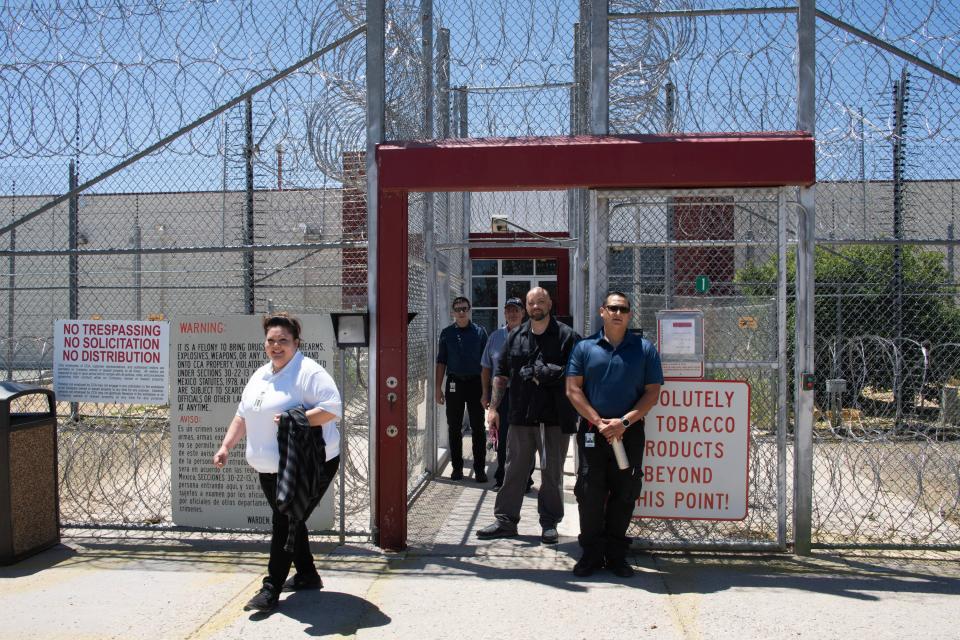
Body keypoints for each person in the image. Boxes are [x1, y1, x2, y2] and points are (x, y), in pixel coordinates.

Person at [212, 313, 342, 612]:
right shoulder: (261, 375)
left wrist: (295, 419)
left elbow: (332, 409)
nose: (276, 345)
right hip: (270, 469)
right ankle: (307, 575)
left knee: (284, 523)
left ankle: (270, 589)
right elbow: (242, 415)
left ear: (296, 343)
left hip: (306, 464)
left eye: (283, 340)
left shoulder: (309, 372)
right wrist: (225, 446)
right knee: (291, 519)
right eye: (271, 340)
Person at [565, 291, 663, 578]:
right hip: (594, 434)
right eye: (612, 308)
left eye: (623, 309)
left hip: (629, 434)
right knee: (589, 493)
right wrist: (599, 423)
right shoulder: (584, 348)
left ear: (629, 314)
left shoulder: (644, 349)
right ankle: (591, 555)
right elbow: (573, 389)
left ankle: (617, 555)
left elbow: (652, 392)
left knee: (625, 493)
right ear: (602, 311)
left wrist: (623, 423)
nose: (618, 313)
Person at [477, 287, 579, 544]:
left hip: (553, 418)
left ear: (550, 304)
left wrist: (549, 373)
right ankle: (505, 521)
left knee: (551, 473)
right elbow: (501, 374)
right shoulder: (516, 337)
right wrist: (493, 408)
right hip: (521, 416)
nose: (536, 307)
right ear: (527, 306)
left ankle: (549, 523)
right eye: (532, 303)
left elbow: (578, 373)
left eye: (541, 302)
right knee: (514, 470)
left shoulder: (567, 337)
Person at [480, 296, 532, 492]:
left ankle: (525, 480)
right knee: (502, 439)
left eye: (516, 310)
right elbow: (486, 367)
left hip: (525, 395)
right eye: (509, 310)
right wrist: (485, 394)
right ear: (504, 313)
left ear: (523, 313)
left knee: (525, 439)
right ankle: (502, 478)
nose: (512, 314)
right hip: (501, 396)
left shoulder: (532, 335)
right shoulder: (495, 337)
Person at [436, 296, 489, 482]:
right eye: (457, 309)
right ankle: (457, 468)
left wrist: (486, 390)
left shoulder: (480, 332)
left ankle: (480, 469)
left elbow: (486, 364)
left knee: (478, 428)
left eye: (464, 308)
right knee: (454, 427)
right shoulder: (446, 334)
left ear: (469, 310)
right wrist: (437, 388)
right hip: (454, 384)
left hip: (475, 384)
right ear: (453, 312)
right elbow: (441, 362)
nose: (461, 312)